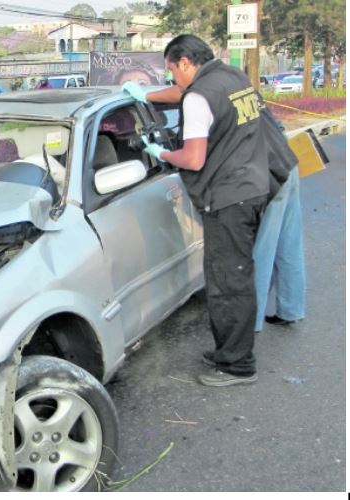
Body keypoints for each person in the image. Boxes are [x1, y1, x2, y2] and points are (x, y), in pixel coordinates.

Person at [123, 34, 270, 387]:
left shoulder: (200, 95)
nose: (171, 79)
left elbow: (192, 158)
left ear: (185, 62)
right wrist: (146, 96)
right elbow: (187, 95)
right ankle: (229, 351)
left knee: (227, 282)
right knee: (235, 274)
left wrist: (161, 155)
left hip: (228, 195)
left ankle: (237, 366)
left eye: (171, 71)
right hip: (252, 183)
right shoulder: (231, 77)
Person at [253, 107, 305, 331]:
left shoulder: (209, 94)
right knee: (289, 243)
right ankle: (291, 309)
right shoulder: (242, 90)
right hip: (287, 162)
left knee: (261, 250)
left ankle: (250, 322)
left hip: (268, 173)